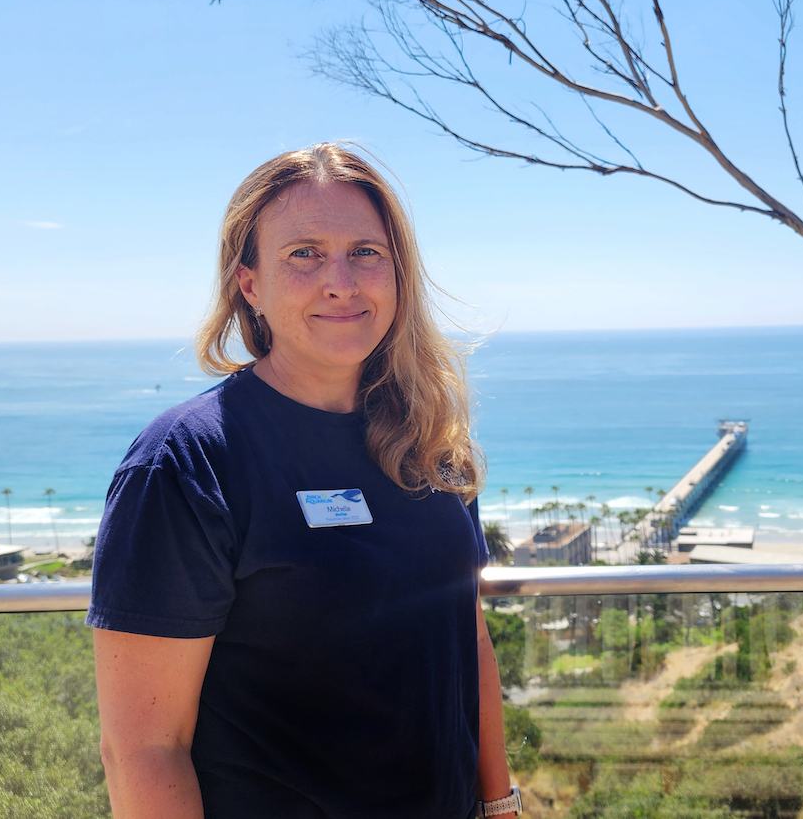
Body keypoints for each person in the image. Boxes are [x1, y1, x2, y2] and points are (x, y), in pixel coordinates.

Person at [87, 144, 519, 819]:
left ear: (398, 275)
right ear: (249, 284)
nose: (341, 281)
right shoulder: (187, 462)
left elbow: (469, 641)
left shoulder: (430, 442)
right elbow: (145, 750)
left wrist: (501, 805)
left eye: (366, 253)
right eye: (304, 254)